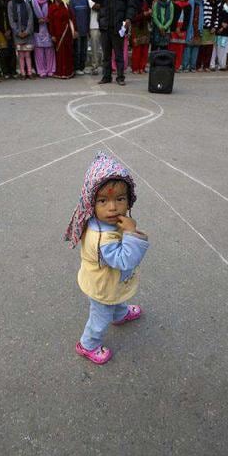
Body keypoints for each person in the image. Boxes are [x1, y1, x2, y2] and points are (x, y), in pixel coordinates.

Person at [64, 151, 149, 365]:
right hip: (102, 286)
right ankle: (87, 344)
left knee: (116, 297)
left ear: (130, 201)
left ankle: (119, 315)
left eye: (120, 199)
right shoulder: (104, 237)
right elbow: (125, 260)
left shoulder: (104, 223)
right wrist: (131, 233)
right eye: (103, 200)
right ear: (91, 203)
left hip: (109, 281)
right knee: (100, 317)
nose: (112, 207)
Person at [92, 0, 132, 85]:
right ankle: (106, 77)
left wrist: (128, 18)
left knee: (119, 54)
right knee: (106, 55)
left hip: (118, 28)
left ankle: (120, 77)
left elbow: (131, 4)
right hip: (105, 26)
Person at [48, 0, 76, 78]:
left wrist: (74, 30)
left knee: (68, 53)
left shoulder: (66, 6)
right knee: (59, 55)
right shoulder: (51, 7)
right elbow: (50, 22)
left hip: (67, 34)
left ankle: (68, 72)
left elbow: (72, 19)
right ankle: (60, 72)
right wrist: (52, 35)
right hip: (57, 35)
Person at [8, 0, 34, 79]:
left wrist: (27, 31)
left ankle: (29, 73)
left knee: (27, 54)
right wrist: (17, 32)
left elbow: (30, 18)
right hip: (17, 33)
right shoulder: (10, 4)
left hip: (27, 33)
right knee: (20, 55)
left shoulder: (26, 4)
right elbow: (11, 19)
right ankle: (23, 73)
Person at [31, 0, 56, 77]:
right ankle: (41, 70)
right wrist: (37, 20)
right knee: (39, 51)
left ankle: (50, 70)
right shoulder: (32, 1)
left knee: (49, 50)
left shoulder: (49, 1)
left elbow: (53, 13)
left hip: (48, 29)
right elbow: (30, 15)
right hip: (37, 29)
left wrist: (48, 19)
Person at [210, 0, 228, 70]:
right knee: (215, 47)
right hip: (218, 29)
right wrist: (220, 25)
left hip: (226, 31)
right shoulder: (219, 4)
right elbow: (217, 15)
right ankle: (212, 65)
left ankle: (222, 65)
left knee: (223, 47)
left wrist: (226, 25)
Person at [129, 0, 152, 73]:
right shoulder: (133, 0)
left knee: (145, 48)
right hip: (137, 27)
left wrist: (149, 13)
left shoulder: (146, 0)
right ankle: (135, 68)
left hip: (145, 27)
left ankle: (142, 67)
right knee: (137, 49)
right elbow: (132, 17)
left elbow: (149, 16)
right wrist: (143, 14)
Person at [198, 0, 218, 71]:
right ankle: (199, 65)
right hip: (206, 28)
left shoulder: (216, 3)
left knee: (209, 49)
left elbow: (217, 16)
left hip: (213, 29)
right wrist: (210, 26)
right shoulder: (205, 2)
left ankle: (206, 66)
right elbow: (205, 15)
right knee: (202, 48)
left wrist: (215, 27)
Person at [70, 0, 90, 75]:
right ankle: (77, 68)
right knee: (77, 50)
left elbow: (88, 16)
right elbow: (71, 17)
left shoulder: (85, 0)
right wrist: (74, 29)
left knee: (84, 50)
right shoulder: (72, 0)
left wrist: (88, 29)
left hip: (84, 30)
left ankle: (82, 67)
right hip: (77, 30)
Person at [170, 0, 191, 71]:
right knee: (172, 49)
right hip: (174, 29)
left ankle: (177, 66)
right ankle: (171, 65)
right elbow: (172, 18)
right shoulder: (174, 5)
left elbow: (187, 20)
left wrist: (182, 30)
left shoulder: (188, 6)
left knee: (180, 50)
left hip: (182, 30)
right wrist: (175, 28)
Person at [182, 0, 202, 71]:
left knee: (196, 47)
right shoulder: (190, 2)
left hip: (198, 27)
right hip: (191, 27)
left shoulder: (201, 2)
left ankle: (193, 66)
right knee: (188, 47)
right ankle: (185, 66)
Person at [88, 0, 102, 74]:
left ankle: (106, 68)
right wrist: (104, 5)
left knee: (106, 48)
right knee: (94, 48)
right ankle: (95, 67)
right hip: (94, 25)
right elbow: (93, 6)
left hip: (105, 24)